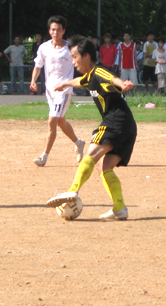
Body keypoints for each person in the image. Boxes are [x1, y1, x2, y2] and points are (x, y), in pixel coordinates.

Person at [46, 36, 137, 221]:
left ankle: (73, 190)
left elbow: (112, 78)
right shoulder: (89, 77)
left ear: (86, 55)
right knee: (105, 167)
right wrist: (65, 83)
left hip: (116, 120)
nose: (73, 61)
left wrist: (123, 84)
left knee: (91, 155)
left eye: (75, 57)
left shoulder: (99, 71)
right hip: (128, 125)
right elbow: (80, 81)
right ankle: (119, 208)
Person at [30, 16, 85, 167]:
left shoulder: (70, 48)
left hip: (64, 91)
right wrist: (33, 80)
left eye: (59, 30)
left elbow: (81, 63)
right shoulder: (44, 47)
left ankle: (44, 156)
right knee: (60, 121)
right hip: (50, 91)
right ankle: (78, 142)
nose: (56, 32)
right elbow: (38, 66)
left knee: (52, 121)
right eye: (53, 29)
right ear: (49, 31)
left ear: (64, 31)